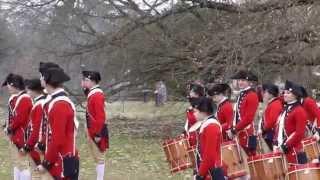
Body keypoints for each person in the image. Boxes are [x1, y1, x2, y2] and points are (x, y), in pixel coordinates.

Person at [37, 67, 79, 179]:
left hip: (62, 160)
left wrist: (46, 163)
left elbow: (57, 138)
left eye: (42, 76)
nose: (40, 79)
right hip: (59, 157)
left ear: (47, 81)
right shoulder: (57, 102)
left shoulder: (60, 105)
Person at [2, 73, 33, 180]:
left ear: (14, 85)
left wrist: (9, 128)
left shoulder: (24, 99)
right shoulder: (19, 98)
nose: (8, 88)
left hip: (22, 137)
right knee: (17, 163)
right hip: (16, 136)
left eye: (9, 86)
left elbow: (20, 119)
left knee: (23, 165)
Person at [81, 70, 109, 180]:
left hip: (97, 131)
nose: (84, 82)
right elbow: (86, 93)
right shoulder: (93, 92)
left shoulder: (97, 94)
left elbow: (100, 117)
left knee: (100, 157)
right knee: (96, 157)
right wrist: (83, 86)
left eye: (86, 80)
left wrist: (97, 134)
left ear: (92, 81)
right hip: (92, 129)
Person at [274, 80, 307, 165]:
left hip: (294, 151)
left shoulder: (299, 110)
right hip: (283, 150)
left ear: (295, 95)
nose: (285, 94)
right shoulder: (285, 109)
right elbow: (279, 127)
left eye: (288, 93)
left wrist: (286, 146)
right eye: (284, 92)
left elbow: (299, 133)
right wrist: (275, 143)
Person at [192, 97, 225, 180]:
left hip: (212, 172)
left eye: (195, 111)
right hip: (208, 171)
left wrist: (200, 174)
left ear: (203, 111)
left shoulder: (211, 126)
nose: (194, 114)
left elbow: (209, 155)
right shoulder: (207, 124)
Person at [20, 79, 46, 179]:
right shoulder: (39, 103)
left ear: (35, 90)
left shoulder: (40, 105)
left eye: (29, 90)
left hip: (37, 147)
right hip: (35, 145)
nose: (27, 92)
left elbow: (37, 129)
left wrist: (27, 146)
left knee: (37, 176)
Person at [230, 70, 259, 156]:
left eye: (243, 80)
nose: (240, 82)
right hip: (240, 132)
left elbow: (248, 118)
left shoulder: (252, 95)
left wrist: (235, 129)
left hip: (247, 133)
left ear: (249, 82)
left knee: (250, 160)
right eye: (239, 80)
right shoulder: (242, 94)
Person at [259, 83, 283, 150]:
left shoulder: (275, 104)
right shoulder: (273, 103)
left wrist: (263, 130)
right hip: (269, 133)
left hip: (272, 134)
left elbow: (272, 121)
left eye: (266, 92)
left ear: (271, 93)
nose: (264, 94)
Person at [185, 82, 206, 147]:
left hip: (199, 136)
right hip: (192, 134)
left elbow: (194, 120)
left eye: (191, 92)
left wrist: (190, 111)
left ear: (197, 94)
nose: (189, 94)